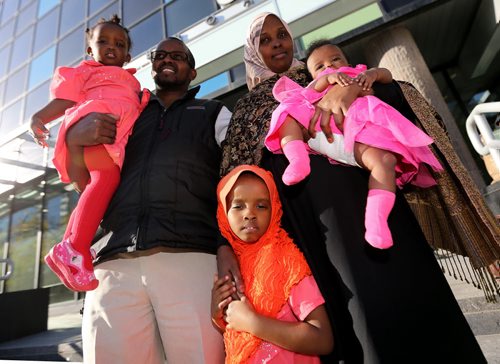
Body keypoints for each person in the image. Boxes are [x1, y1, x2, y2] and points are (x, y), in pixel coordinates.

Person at [221, 12, 487, 363]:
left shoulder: (325, 72)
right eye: (265, 40)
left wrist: (354, 90)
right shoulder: (246, 109)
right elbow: (235, 181)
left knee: (414, 304)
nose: (277, 44)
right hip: (314, 231)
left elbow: (396, 96)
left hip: (373, 203)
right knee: (357, 322)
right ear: (254, 52)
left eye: (282, 34)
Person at [64, 37, 240, 363]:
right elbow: (84, 183)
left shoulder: (215, 113)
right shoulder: (127, 114)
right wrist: (73, 141)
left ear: (193, 69)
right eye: (160, 55)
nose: (167, 60)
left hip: (191, 258)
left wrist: (226, 244)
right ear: (153, 65)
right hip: (112, 263)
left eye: (177, 55)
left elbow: (238, 182)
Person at [265, 40, 443, 249]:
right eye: (320, 66)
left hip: (359, 137)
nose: (329, 67)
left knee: (384, 161)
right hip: (321, 133)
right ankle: (297, 160)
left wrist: (372, 74)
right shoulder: (315, 87)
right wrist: (328, 77)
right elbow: (314, 88)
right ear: (311, 75)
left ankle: (376, 223)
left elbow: (386, 74)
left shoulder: (357, 74)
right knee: (287, 111)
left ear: (348, 61)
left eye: (335, 59)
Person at [29, 15, 149, 291]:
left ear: (127, 55)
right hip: (93, 125)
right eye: (103, 41)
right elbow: (64, 100)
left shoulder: (130, 81)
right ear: (89, 50)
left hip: (110, 137)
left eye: (119, 44)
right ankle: (76, 247)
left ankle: (69, 247)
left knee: (98, 185)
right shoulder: (87, 71)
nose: (111, 47)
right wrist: (38, 117)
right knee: (104, 181)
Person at [211, 165, 333, 363]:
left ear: (275, 207)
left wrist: (253, 323)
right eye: (238, 205)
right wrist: (217, 315)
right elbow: (235, 328)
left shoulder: (286, 260)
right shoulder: (231, 267)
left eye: (261, 205)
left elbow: (322, 339)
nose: (249, 213)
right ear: (223, 214)